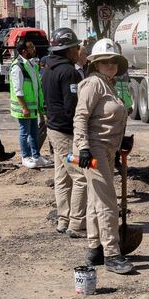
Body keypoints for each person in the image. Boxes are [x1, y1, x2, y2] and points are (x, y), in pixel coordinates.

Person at [74, 38, 134, 275]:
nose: (110, 65)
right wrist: (84, 148)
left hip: (108, 149)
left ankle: (94, 247)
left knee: (95, 200)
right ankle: (112, 253)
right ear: (95, 64)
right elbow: (80, 117)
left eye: (113, 62)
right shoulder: (93, 84)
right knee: (108, 201)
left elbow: (108, 119)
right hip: (94, 150)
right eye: (104, 62)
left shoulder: (108, 84)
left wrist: (122, 142)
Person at [42, 27, 86, 238]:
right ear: (69, 50)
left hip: (54, 130)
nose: (79, 50)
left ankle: (63, 219)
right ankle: (76, 223)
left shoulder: (48, 68)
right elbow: (72, 106)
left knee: (62, 176)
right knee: (80, 177)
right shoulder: (68, 71)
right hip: (66, 134)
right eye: (77, 47)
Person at [9, 38, 47, 168]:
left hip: (33, 107)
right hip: (24, 108)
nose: (34, 49)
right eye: (31, 47)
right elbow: (18, 90)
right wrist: (24, 107)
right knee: (24, 132)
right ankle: (25, 157)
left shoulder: (31, 64)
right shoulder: (18, 66)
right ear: (24, 51)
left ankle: (36, 156)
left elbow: (36, 87)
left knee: (34, 132)